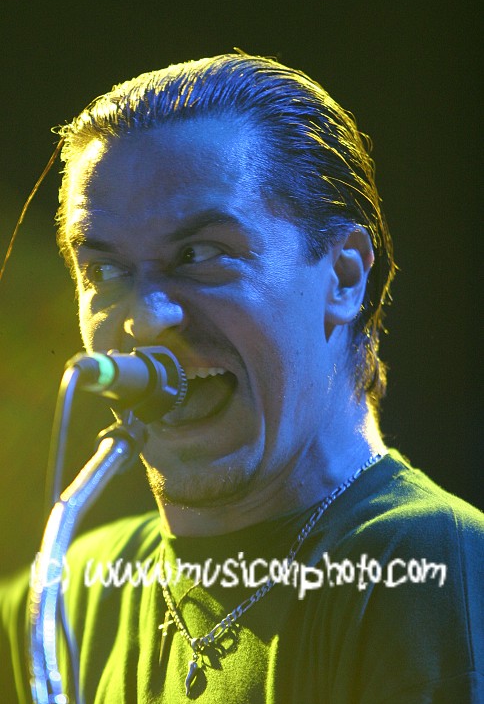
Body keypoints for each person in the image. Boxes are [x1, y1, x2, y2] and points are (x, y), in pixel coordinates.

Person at [1, 52, 483, 703]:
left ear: (344, 275)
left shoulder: (425, 564)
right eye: (107, 272)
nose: (145, 319)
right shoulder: (69, 588)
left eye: (201, 254)